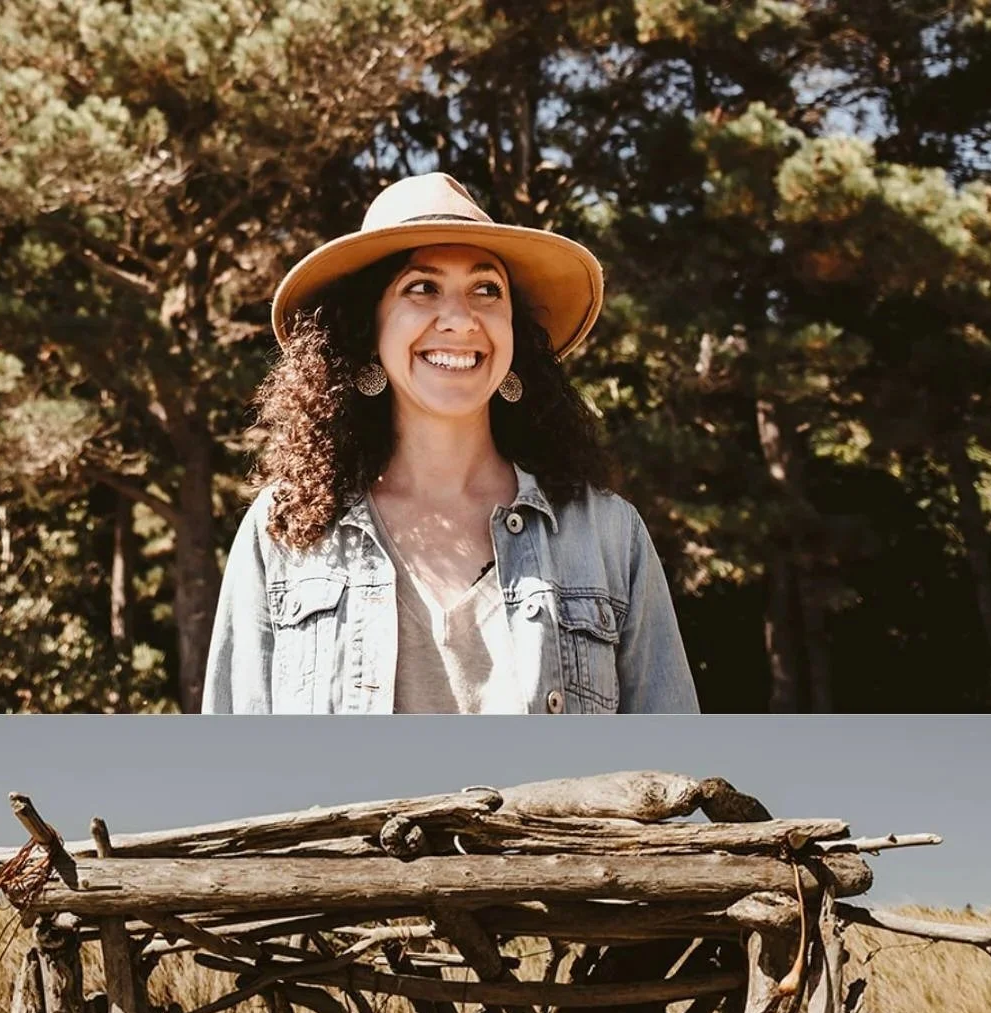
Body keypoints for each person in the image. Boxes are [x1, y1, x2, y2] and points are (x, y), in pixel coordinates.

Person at [203, 170, 697, 716]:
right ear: (369, 328)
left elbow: (669, 771)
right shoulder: (283, 532)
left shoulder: (609, 537)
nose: (461, 320)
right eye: (422, 287)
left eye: (487, 289)